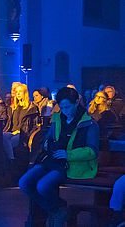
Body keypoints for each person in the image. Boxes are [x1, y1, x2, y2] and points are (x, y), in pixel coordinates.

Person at [19, 87, 99, 227]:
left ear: (76, 103)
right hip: (52, 159)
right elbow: (49, 137)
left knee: (43, 186)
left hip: (71, 164)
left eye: (67, 107)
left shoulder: (90, 124)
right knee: (24, 183)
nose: (64, 110)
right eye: (61, 107)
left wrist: (69, 154)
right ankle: (56, 209)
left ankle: (57, 209)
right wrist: (46, 144)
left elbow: (92, 151)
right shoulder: (57, 119)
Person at [3, 84, 39, 160]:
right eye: (17, 92)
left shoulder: (32, 108)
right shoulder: (14, 107)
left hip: (23, 134)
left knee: (8, 142)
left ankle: (11, 161)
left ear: (25, 93)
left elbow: (35, 126)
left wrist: (27, 135)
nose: (18, 94)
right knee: (0, 136)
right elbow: (10, 124)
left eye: (20, 92)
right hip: (12, 132)